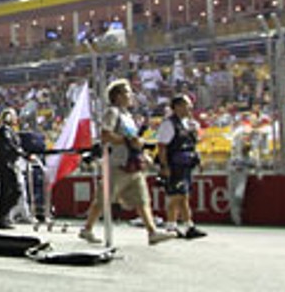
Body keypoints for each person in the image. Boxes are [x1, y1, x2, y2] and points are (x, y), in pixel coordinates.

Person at [79, 79, 177, 247]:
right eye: (127, 92)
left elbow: (132, 140)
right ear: (118, 96)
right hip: (118, 164)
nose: (131, 95)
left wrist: (140, 149)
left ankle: (152, 232)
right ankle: (87, 228)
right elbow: (105, 135)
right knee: (103, 199)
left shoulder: (128, 116)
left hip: (133, 164)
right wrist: (128, 141)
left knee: (142, 199)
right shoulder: (112, 112)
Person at [156, 93, 206, 238]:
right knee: (176, 195)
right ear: (177, 106)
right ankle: (171, 225)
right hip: (175, 165)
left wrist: (198, 160)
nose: (190, 107)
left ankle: (189, 226)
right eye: (187, 104)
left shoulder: (187, 124)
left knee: (183, 195)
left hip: (186, 164)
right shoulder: (169, 124)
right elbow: (162, 147)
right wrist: (164, 166)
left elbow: (191, 145)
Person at [0, 108, 27, 229]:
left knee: (11, 191)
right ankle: (2, 217)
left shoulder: (11, 131)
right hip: (6, 164)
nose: (15, 118)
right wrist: (23, 154)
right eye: (13, 116)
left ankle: (3, 216)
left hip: (11, 163)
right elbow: (10, 146)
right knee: (9, 190)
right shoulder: (4, 131)